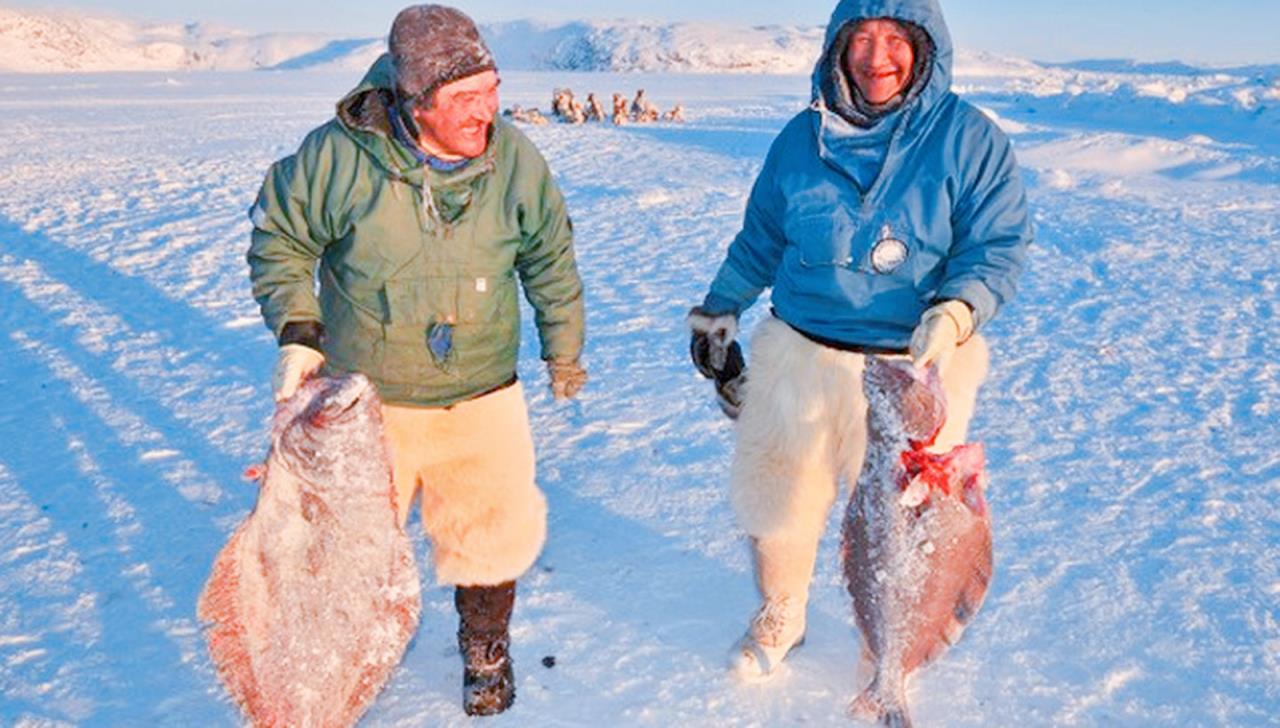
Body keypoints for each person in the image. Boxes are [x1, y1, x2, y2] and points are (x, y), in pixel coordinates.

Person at [246, 4, 586, 716]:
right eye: (463, 99)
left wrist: (564, 345)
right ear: (415, 102)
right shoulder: (339, 155)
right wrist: (299, 332)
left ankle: (485, 649)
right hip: (369, 399)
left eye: (491, 89)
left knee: (492, 534)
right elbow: (280, 237)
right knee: (347, 549)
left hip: (482, 389)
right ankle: (340, 660)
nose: (485, 112)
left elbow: (548, 252)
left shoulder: (514, 157)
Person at [687, 0, 1031, 679]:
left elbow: (997, 245)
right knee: (779, 497)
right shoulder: (798, 139)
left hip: (915, 370)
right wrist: (719, 307)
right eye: (862, 38)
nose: (878, 58)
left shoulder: (970, 139)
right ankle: (781, 612)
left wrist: (960, 310)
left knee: (906, 529)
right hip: (801, 355)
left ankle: (896, 644)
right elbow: (762, 239)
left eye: (896, 38)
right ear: (837, 49)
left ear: (926, 47)